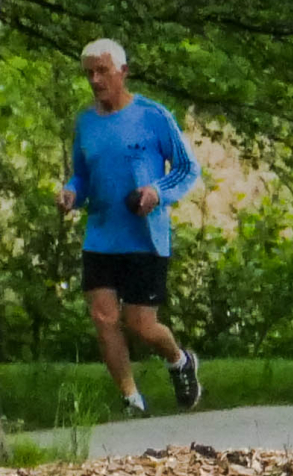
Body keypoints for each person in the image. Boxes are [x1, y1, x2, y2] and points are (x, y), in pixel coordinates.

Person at [57, 38, 202, 414]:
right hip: (101, 236)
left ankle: (179, 360)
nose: (95, 80)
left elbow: (188, 169)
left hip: (144, 237)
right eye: (89, 73)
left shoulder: (153, 116)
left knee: (141, 324)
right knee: (103, 318)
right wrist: (71, 194)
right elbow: (82, 177)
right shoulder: (86, 122)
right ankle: (130, 399)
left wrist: (157, 191)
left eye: (102, 71)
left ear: (122, 72)